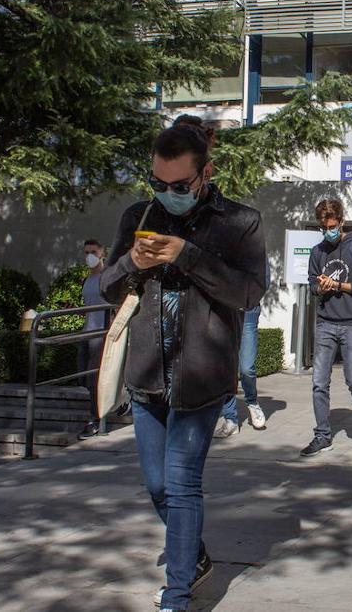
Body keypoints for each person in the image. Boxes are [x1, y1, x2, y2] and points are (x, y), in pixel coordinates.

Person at [101, 122, 266, 612]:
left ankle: (176, 596)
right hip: (147, 373)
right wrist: (132, 260)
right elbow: (108, 288)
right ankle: (192, 555)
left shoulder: (241, 222)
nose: (166, 194)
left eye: (178, 186)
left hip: (202, 376)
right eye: (157, 183)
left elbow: (249, 293)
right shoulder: (139, 215)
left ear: (205, 173)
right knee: (156, 485)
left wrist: (188, 256)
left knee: (180, 483)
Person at [301, 197, 352, 456]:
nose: (329, 232)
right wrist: (319, 286)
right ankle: (323, 434)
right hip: (325, 322)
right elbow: (312, 284)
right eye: (324, 228)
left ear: (342, 222)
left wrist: (336, 285)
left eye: (333, 226)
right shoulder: (317, 252)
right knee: (318, 382)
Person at [214, 260, 270, 437]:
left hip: (247, 310)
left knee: (246, 367)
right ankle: (230, 419)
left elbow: (264, 281)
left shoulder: (254, 247)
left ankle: (252, 402)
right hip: (224, 310)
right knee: (226, 367)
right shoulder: (220, 247)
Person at [77, 239, 109, 440]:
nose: (90, 255)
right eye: (87, 252)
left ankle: (95, 419)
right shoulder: (87, 280)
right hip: (87, 332)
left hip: (101, 333)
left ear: (102, 253)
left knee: (94, 378)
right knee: (84, 377)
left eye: (93, 252)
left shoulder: (107, 278)